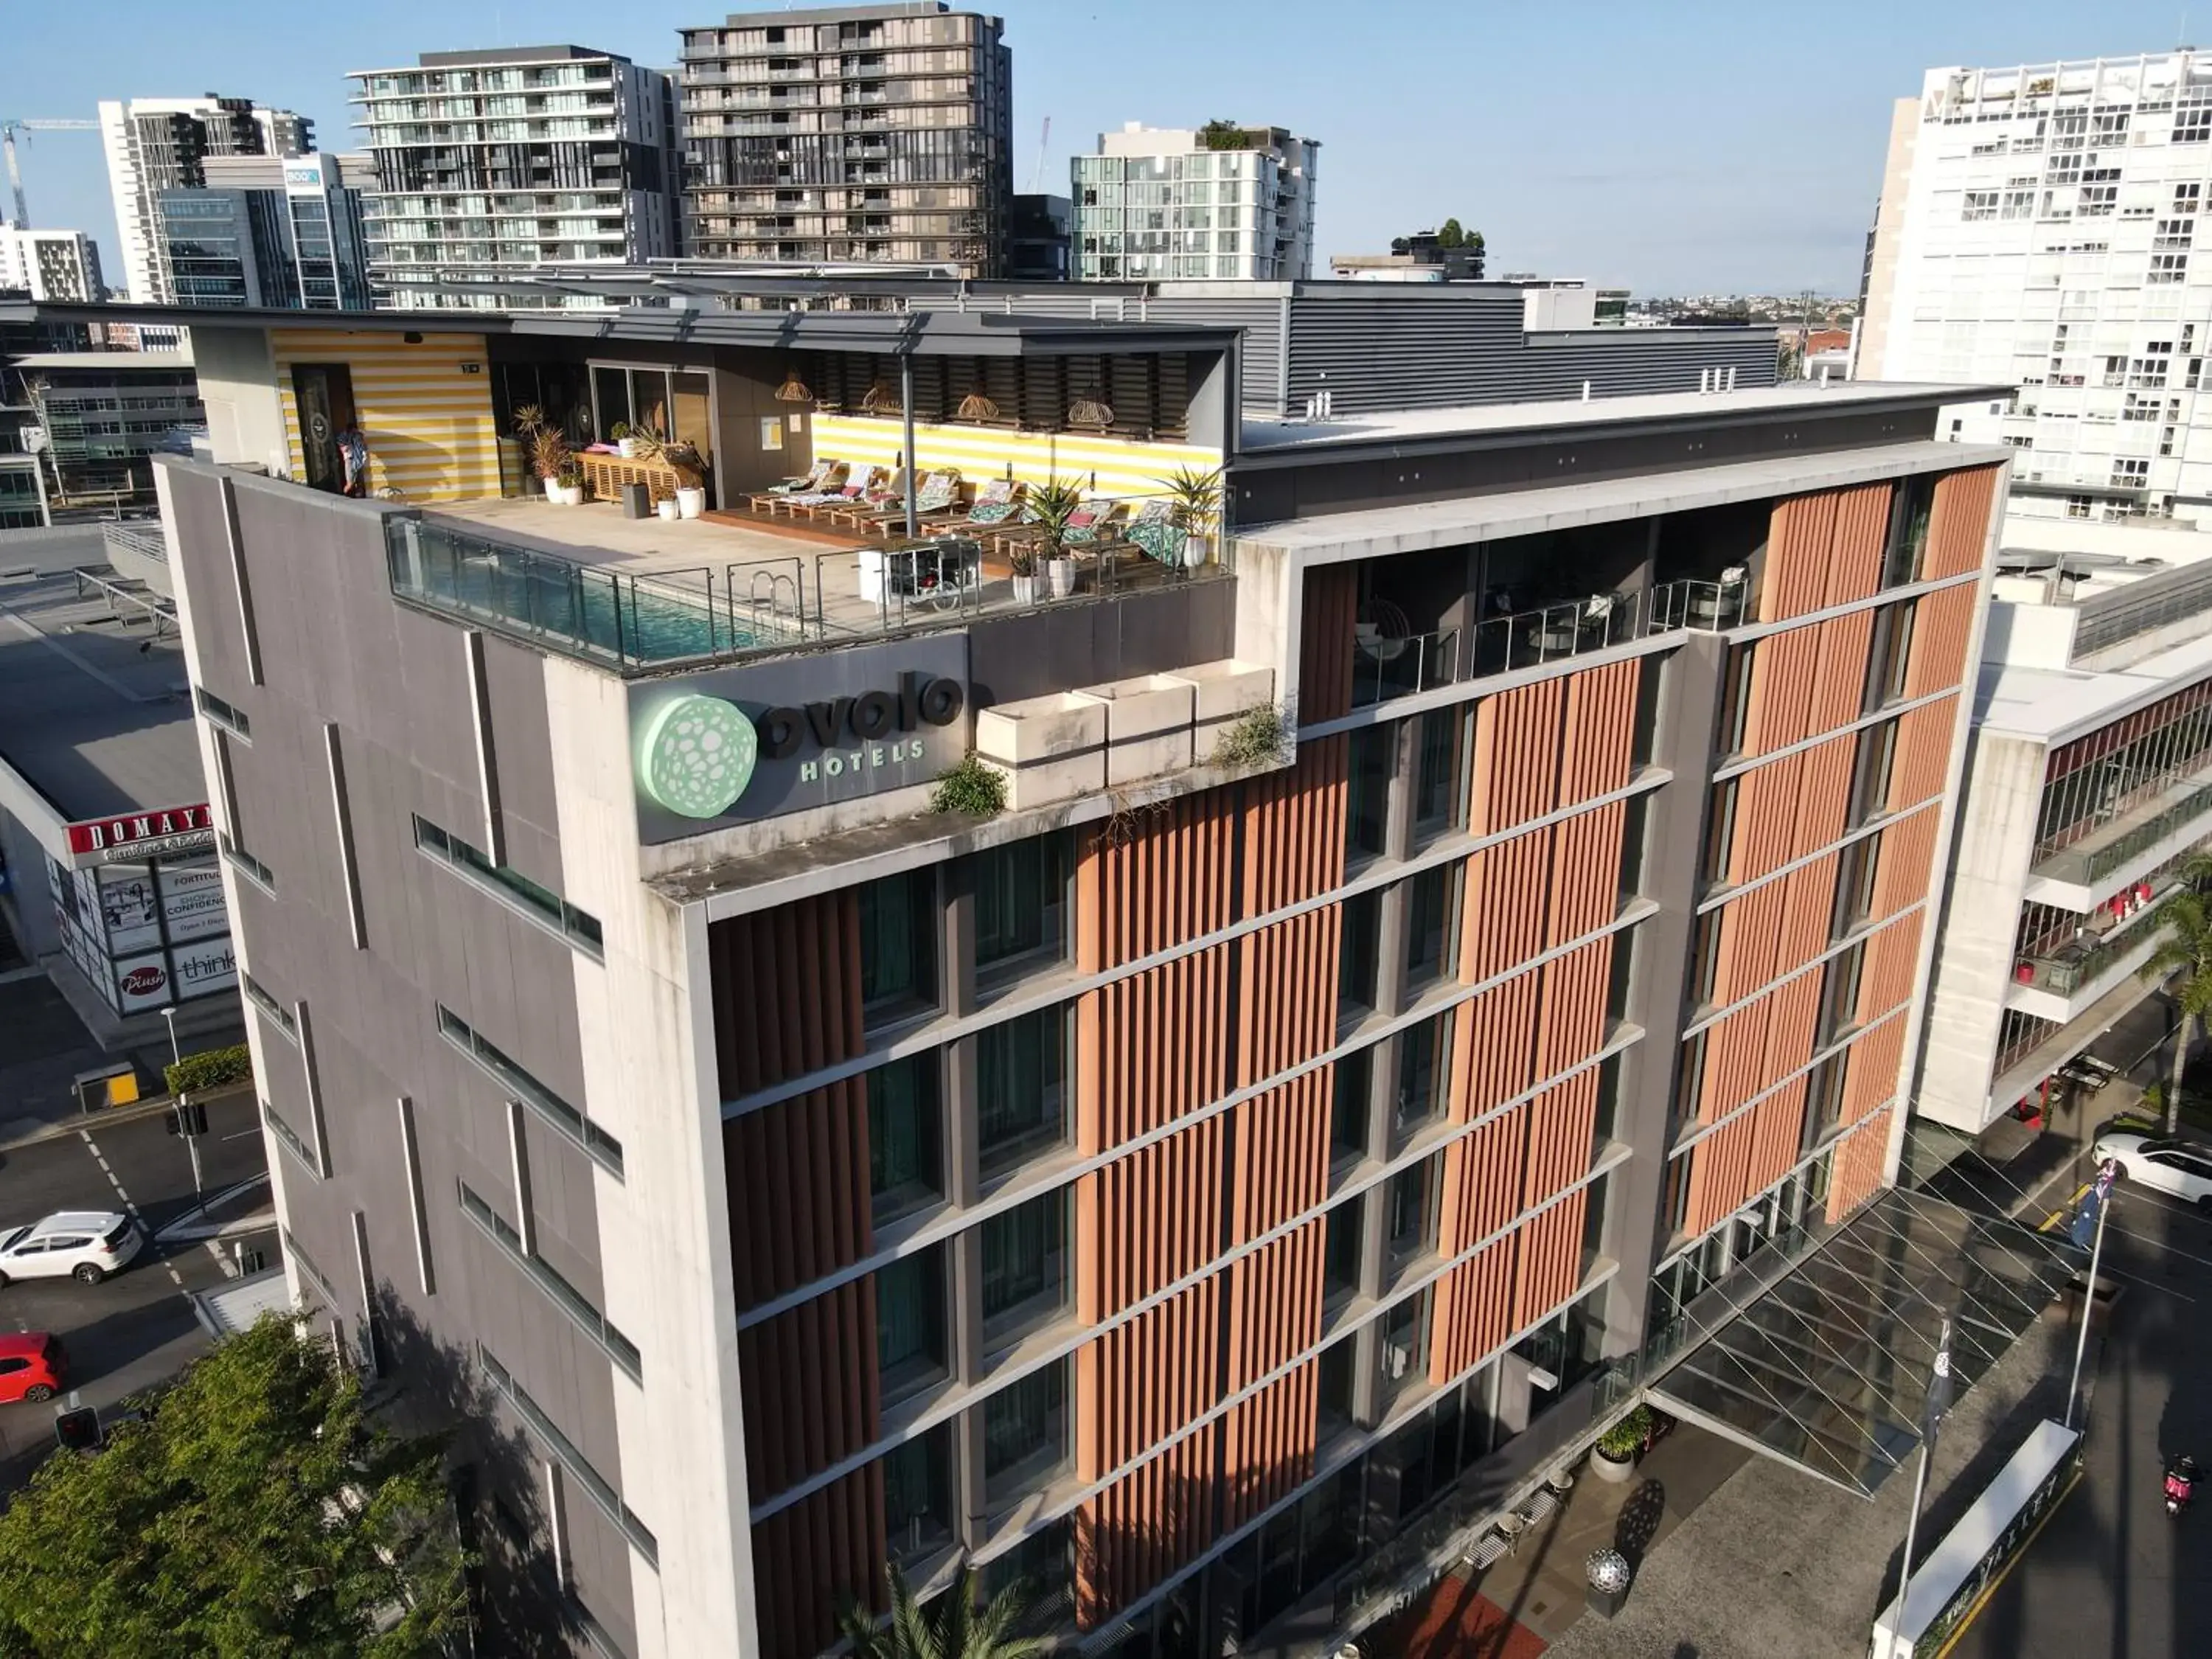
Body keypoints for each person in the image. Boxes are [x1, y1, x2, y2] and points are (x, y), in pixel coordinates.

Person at [337, 420, 370, 498]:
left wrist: (360, 442)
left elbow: (365, 447)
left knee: (360, 482)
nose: (354, 432)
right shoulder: (344, 437)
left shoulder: (359, 436)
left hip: (358, 460)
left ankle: (359, 497)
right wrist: (349, 444)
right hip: (350, 460)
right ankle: (344, 496)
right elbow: (343, 449)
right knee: (350, 483)